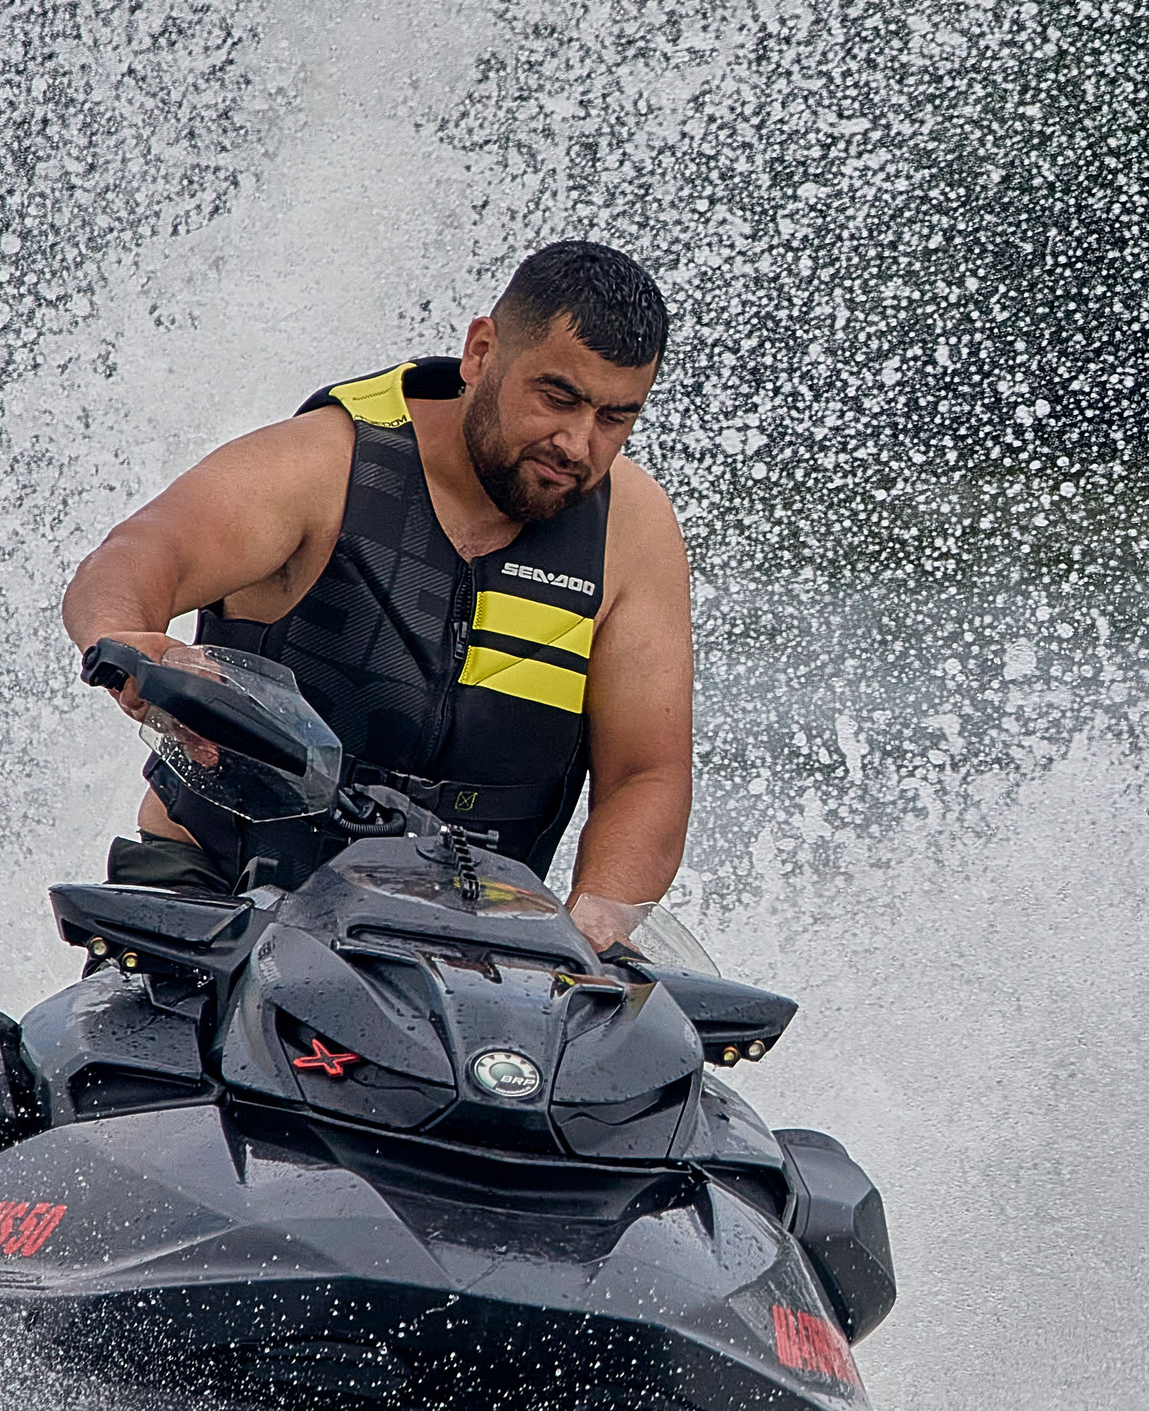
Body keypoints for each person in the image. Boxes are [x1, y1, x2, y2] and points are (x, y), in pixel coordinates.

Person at [60, 240, 693, 951]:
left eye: (615, 418)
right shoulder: (325, 463)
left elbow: (647, 773)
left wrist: (596, 926)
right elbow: (137, 556)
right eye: (558, 398)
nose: (578, 445)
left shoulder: (631, 531)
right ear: (481, 352)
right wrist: (132, 641)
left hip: (474, 958)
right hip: (219, 902)